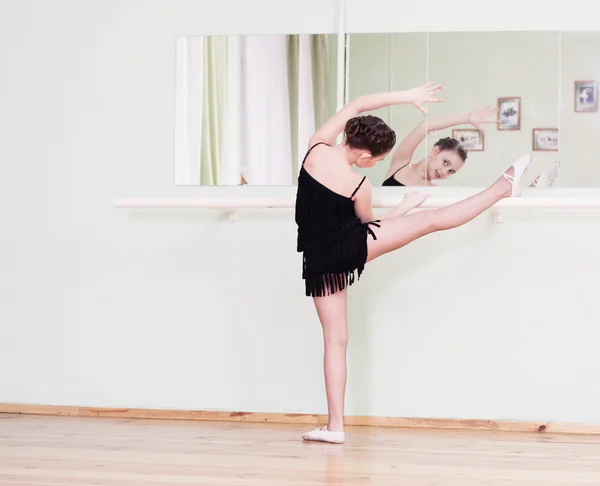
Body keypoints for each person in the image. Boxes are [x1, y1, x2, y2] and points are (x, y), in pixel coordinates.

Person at [295, 82, 532, 444]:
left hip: (318, 262)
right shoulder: (359, 184)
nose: (374, 165)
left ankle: (336, 428)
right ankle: (503, 186)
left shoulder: (315, 147)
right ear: (363, 159)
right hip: (348, 249)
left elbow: (358, 101)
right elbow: (369, 228)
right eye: (375, 160)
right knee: (429, 222)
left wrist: (407, 96)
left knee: (334, 340)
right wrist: (406, 211)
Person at [382, 106, 498, 186]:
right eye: (446, 162)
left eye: (451, 171)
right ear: (435, 152)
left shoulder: (432, 191)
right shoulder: (401, 164)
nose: (444, 172)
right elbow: (425, 126)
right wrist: (467, 118)